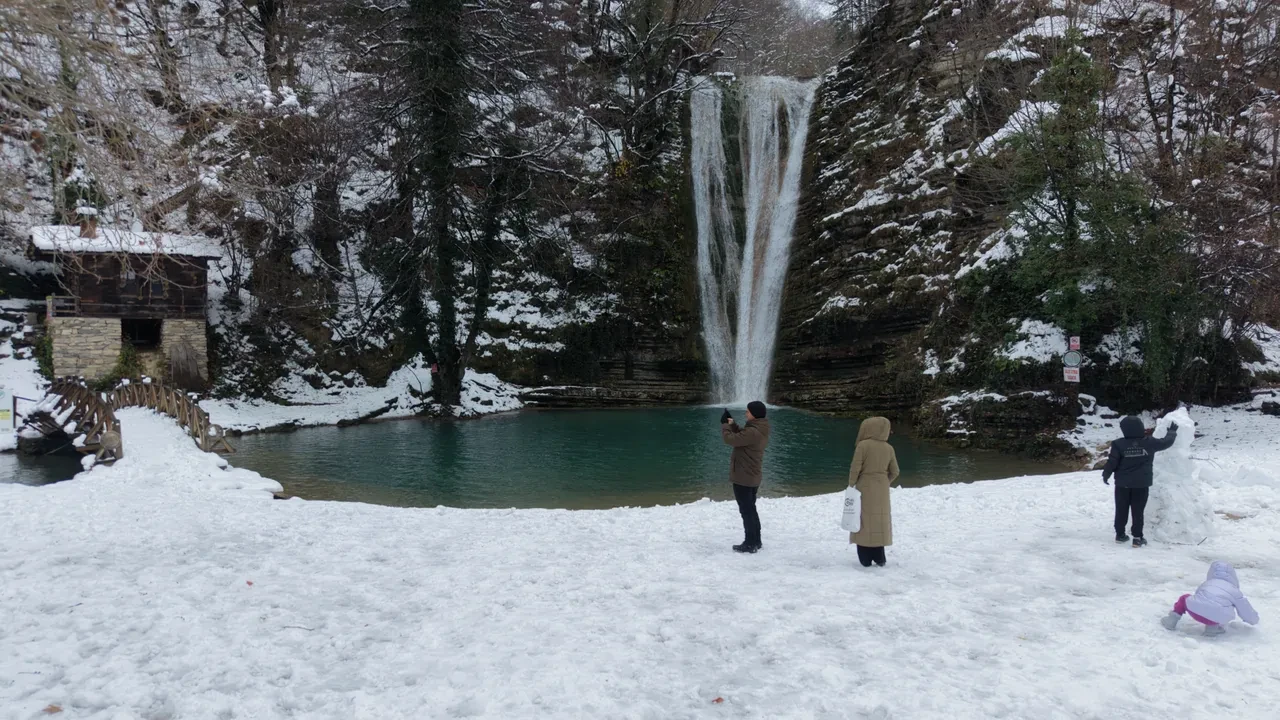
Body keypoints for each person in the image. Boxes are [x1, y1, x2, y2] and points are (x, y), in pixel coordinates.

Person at [1101, 416, 1178, 547]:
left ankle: (1120, 535)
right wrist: (1172, 431)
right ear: (1140, 428)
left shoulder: (1118, 444)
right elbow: (1166, 442)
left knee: (1121, 509)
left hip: (1122, 484)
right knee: (1138, 510)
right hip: (1141, 484)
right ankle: (1137, 538)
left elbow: (1112, 462)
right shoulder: (1149, 442)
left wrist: (1106, 475)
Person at [848, 416, 899, 567]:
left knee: (863, 520)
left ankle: (865, 558)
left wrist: (851, 485)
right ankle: (879, 557)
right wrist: (885, 482)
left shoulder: (863, 446)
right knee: (879, 521)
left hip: (865, 485)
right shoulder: (889, 448)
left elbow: (855, 468)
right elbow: (895, 471)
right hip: (882, 486)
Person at [721, 401, 771, 553]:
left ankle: (750, 543)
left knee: (746, 510)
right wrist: (733, 425)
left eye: (748, 412)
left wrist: (725, 425)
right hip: (752, 475)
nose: (745, 414)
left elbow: (730, 439)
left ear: (754, 414)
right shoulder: (759, 428)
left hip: (744, 476)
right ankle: (756, 540)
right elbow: (743, 435)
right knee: (751, 508)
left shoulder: (753, 432)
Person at [1161, 561, 1259, 636]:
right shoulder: (1235, 591)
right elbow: (1245, 609)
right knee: (1221, 607)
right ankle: (1212, 628)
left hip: (1196, 612)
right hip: (1217, 617)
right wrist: (1254, 620)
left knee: (1184, 599)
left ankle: (1171, 620)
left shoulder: (1206, 583)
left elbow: (1199, 597)